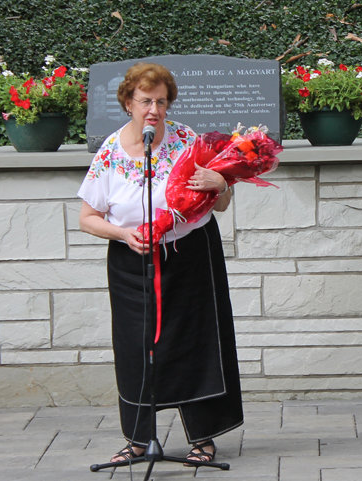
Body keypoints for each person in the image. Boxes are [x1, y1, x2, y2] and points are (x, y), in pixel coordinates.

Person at [78, 62, 243, 466]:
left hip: (191, 254)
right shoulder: (110, 153)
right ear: (128, 102)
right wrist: (123, 234)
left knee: (197, 340)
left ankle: (203, 439)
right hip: (132, 259)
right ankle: (137, 440)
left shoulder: (187, 139)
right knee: (136, 346)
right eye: (145, 100)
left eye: (161, 101)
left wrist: (222, 184)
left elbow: (218, 202)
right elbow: (87, 218)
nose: (154, 109)